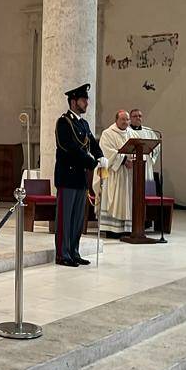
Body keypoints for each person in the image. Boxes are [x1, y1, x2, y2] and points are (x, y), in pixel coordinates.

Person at [54, 83, 106, 267]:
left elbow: (93, 143)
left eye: (87, 100)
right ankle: (62, 254)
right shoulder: (63, 122)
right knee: (65, 218)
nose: (86, 103)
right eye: (84, 100)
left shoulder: (83, 123)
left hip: (81, 178)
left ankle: (74, 252)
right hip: (67, 177)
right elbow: (71, 149)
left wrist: (101, 157)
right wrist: (92, 162)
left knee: (77, 219)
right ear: (73, 101)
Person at [95, 110, 132, 236]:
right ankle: (112, 230)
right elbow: (106, 151)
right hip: (113, 174)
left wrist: (133, 159)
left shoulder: (132, 133)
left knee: (127, 200)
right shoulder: (108, 133)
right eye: (123, 119)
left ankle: (126, 228)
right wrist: (124, 159)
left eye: (127, 119)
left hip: (128, 175)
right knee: (113, 199)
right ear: (116, 120)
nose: (126, 122)